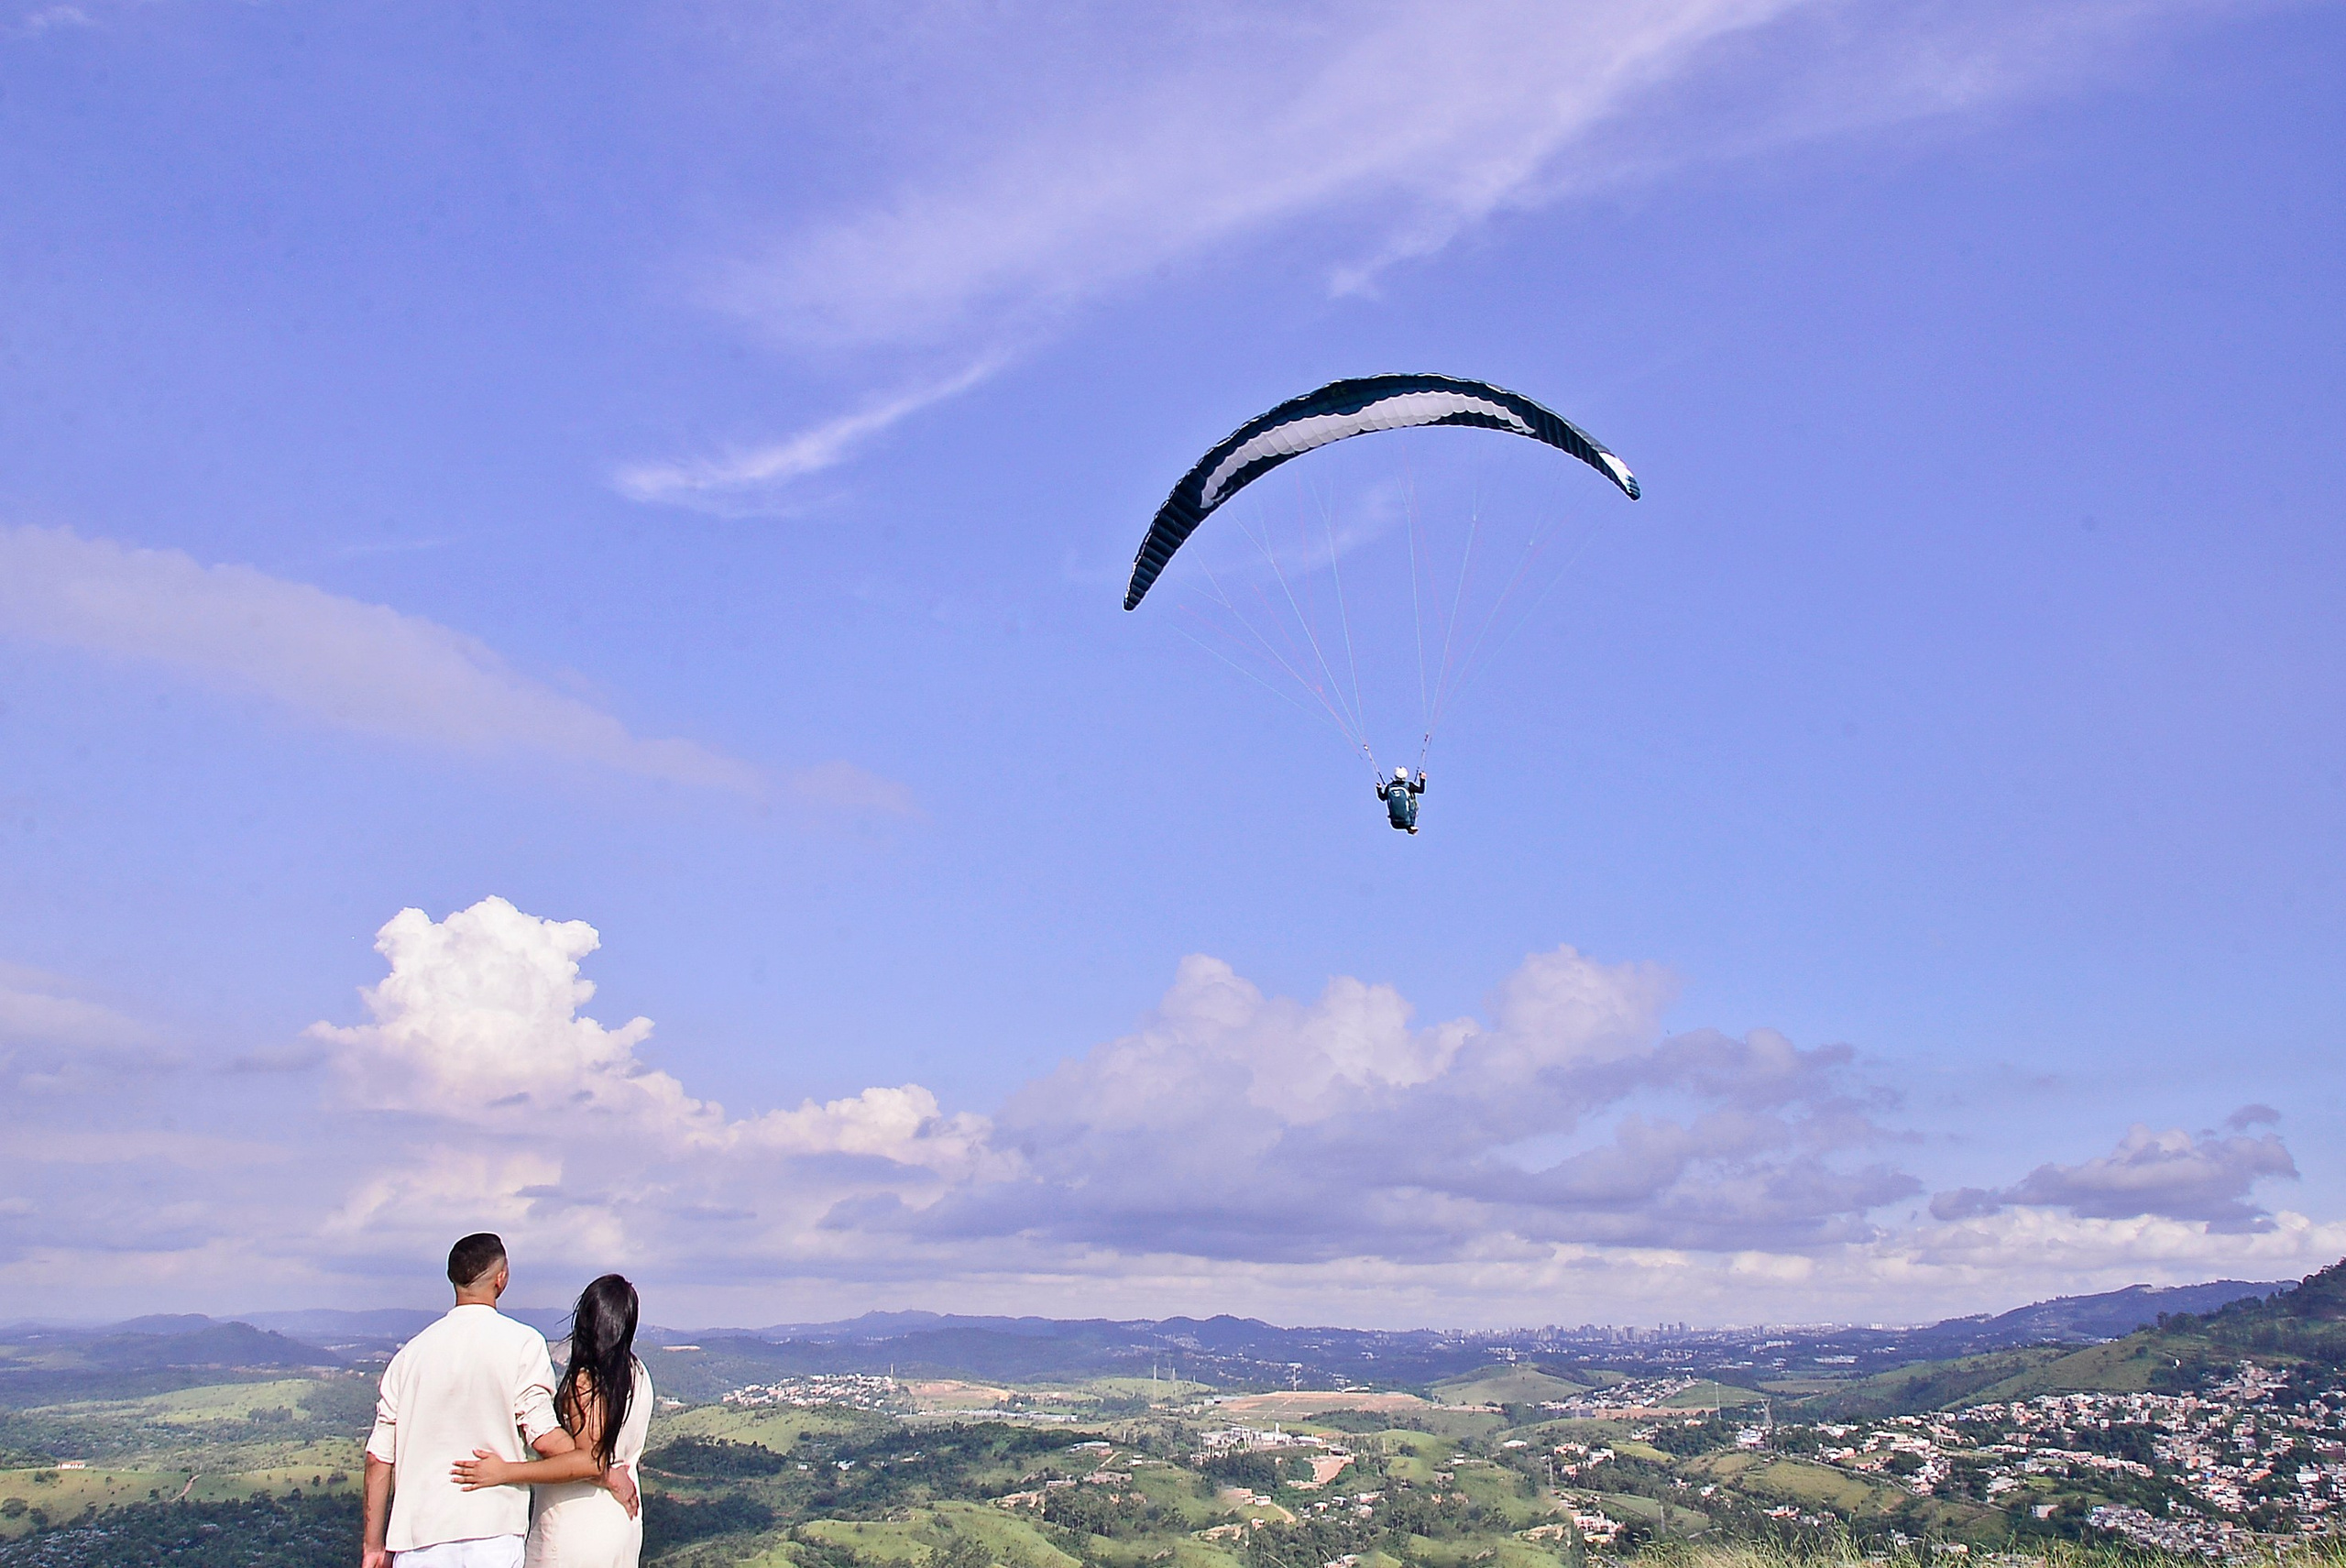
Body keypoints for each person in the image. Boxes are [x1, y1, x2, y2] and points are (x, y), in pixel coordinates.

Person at [363, 1234, 638, 1568]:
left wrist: (373, 1546)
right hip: (492, 1532)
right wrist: (602, 1470)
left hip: (419, 1538)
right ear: (501, 1278)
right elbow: (545, 1438)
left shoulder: (408, 1357)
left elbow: (379, 1459)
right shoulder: (522, 1344)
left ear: (454, 1279)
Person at [454, 1274, 652, 1568]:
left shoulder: (588, 1380)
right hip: (622, 1524)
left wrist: (505, 1472)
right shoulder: (638, 1374)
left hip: (575, 1524)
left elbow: (590, 1461)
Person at [1376, 765, 1426, 833]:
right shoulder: (1409, 785)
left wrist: (1379, 789)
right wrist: (1422, 779)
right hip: (1409, 822)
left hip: (1395, 824)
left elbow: (1382, 798)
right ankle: (1409, 826)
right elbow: (1421, 790)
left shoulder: (1389, 787)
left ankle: (1408, 826)